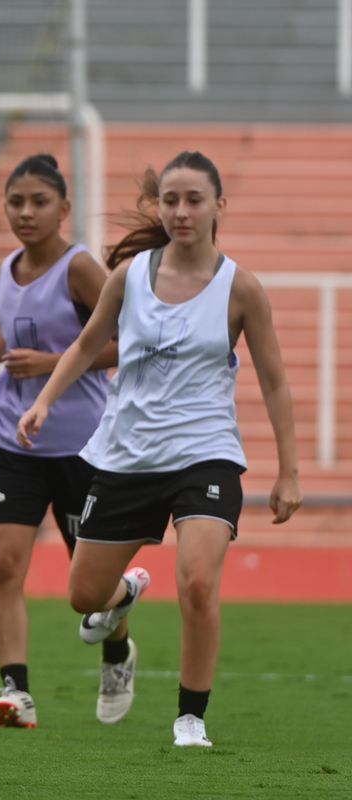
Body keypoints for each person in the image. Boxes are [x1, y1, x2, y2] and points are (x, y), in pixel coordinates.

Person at [16, 150, 302, 746]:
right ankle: (122, 598)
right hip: (127, 455)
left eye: (194, 199)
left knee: (198, 583)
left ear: (219, 206)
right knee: (83, 597)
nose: (181, 210)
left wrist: (288, 472)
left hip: (206, 454)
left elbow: (275, 381)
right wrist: (43, 402)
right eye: (171, 200)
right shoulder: (129, 276)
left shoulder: (241, 287)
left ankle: (190, 716)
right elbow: (86, 345)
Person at [0, 154, 118, 728]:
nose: (25, 213)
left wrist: (52, 363)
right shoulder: (3, 268)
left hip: (80, 442)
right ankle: (15, 692)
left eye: (39, 202)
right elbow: (8, 332)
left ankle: (118, 648)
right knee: (3, 567)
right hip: (10, 438)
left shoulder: (81, 270)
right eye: (16, 202)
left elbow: (125, 345)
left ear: (64, 209)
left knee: (91, 582)